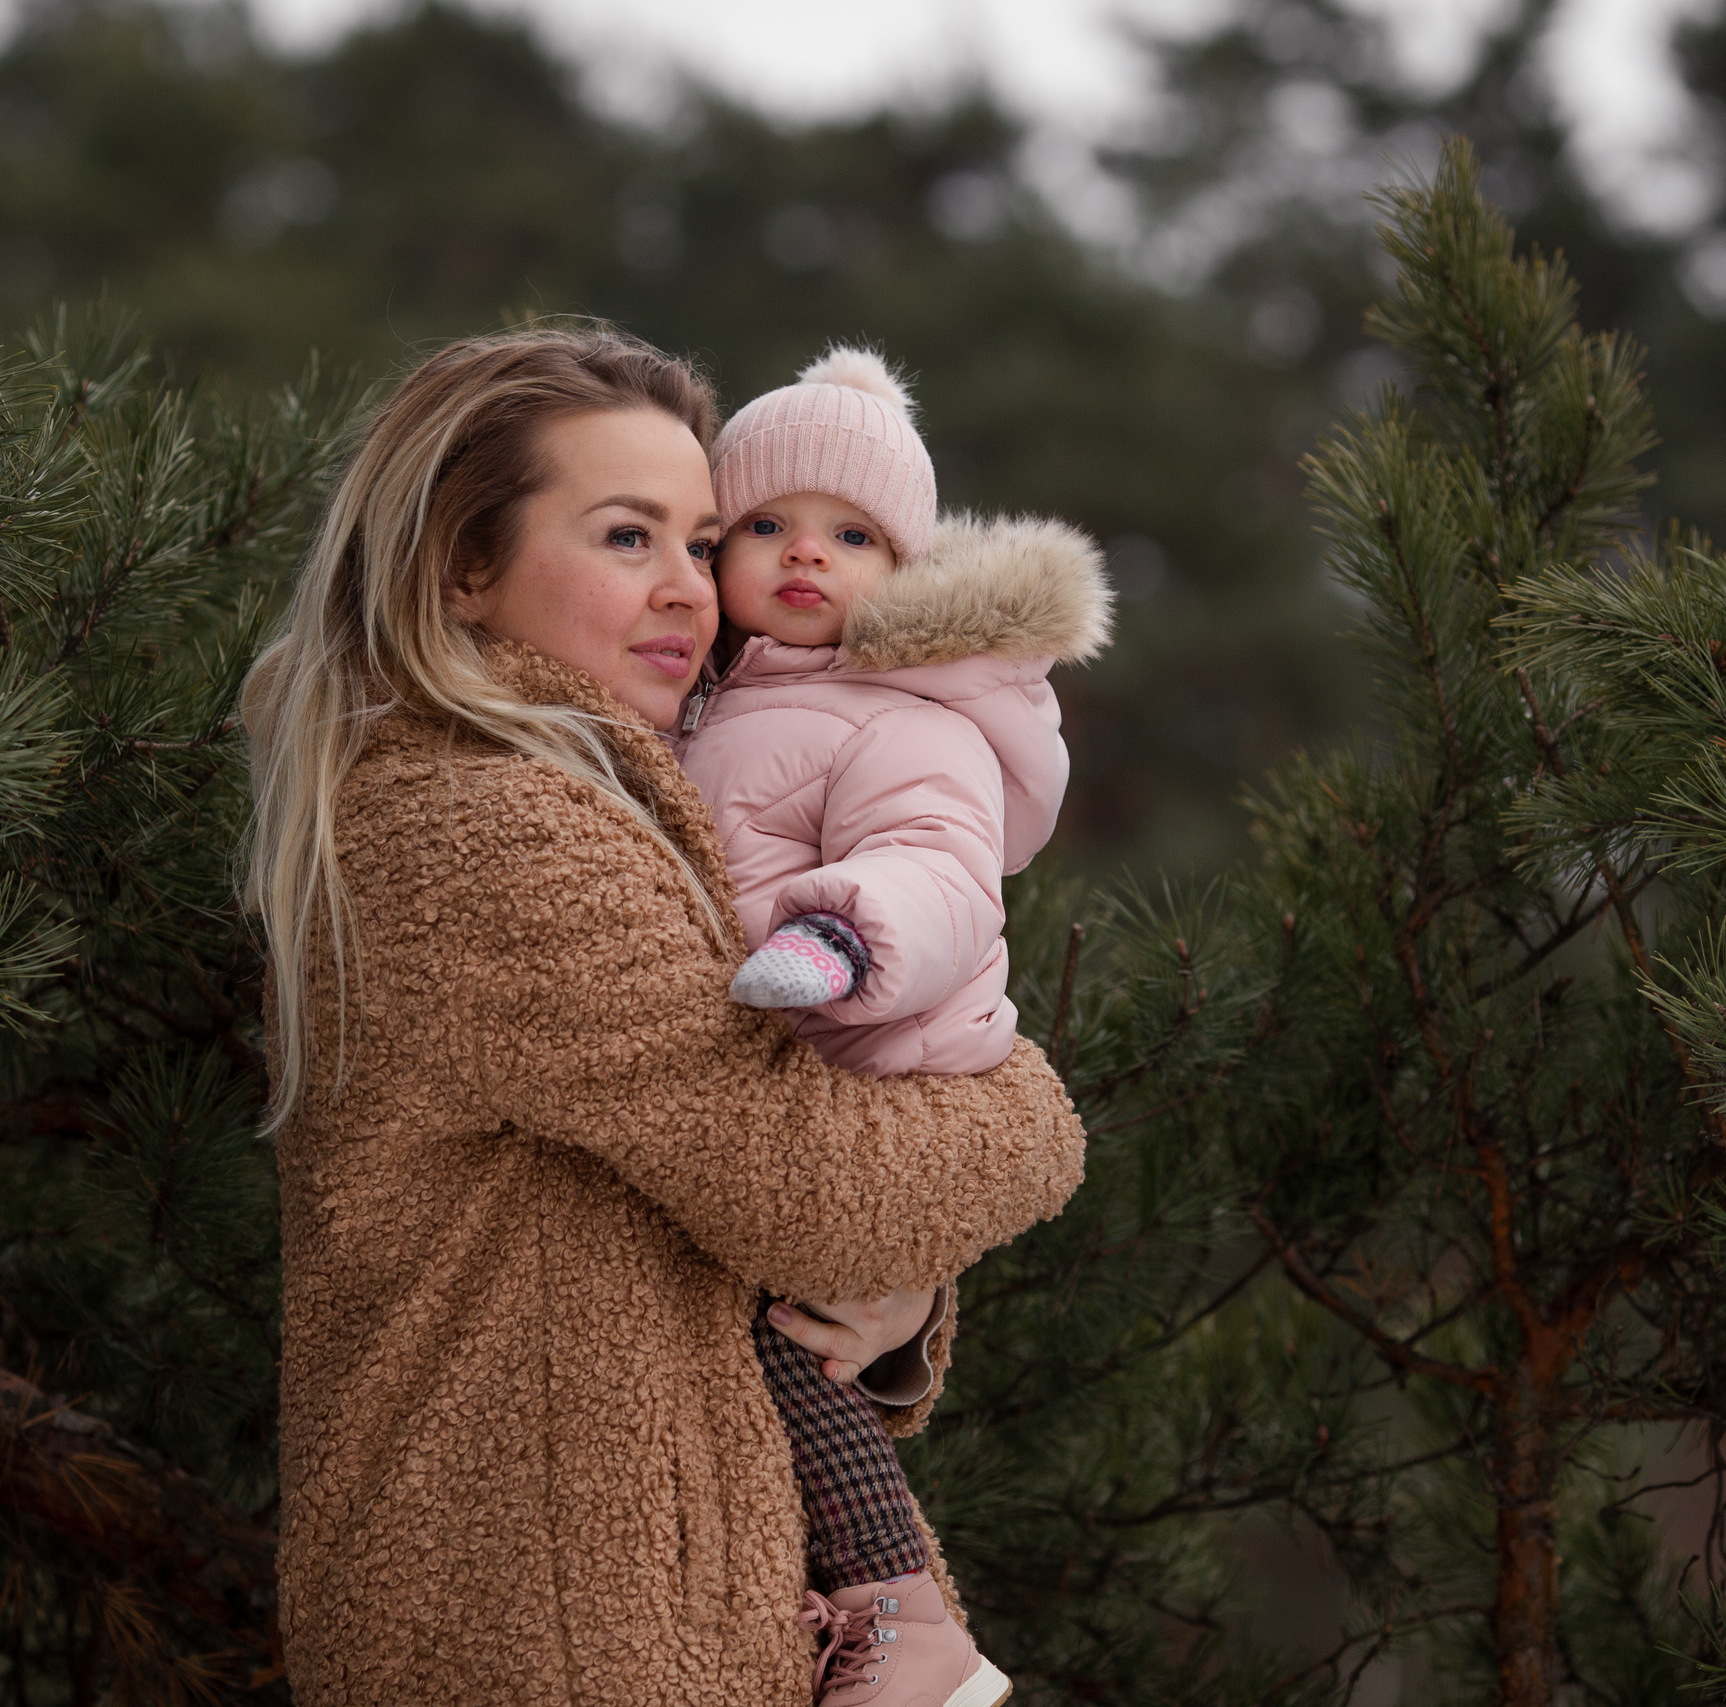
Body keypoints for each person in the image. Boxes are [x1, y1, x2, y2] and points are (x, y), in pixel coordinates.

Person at [241, 324, 1087, 1707]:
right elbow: (798, 1176)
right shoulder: (485, 825)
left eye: (705, 545)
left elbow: (728, 1208)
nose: (692, 591)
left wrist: (896, 1287)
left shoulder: (625, 799)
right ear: (462, 566)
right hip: (544, 1635)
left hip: (635, 1613)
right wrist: (1037, 1120)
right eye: (629, 537)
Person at [673, 348, 1111, 1706]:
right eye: (767, 526)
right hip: (799, 1057)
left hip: (877, 1042)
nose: (808, 553)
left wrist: (839, 937)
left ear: (905, 569)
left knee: (784, 1349)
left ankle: (908, 1620)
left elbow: (939, 871)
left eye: (852, 534)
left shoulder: (902, 713)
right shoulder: (717, 698)